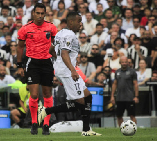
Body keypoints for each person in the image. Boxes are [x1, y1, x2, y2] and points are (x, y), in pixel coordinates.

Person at [38, 12, 101, 136]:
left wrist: (62, 62)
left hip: (65, 69)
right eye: (79, 21)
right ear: (71, 22)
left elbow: (51, 50)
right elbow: (64, 53)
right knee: (79, 102)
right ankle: (46, 110)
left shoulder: (60, 33)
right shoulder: (69, 35)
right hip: (68, 72)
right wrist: (72, 69)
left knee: (88, 96)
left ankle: (86, 129)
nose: (81, 24)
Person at [17, 3, 57, 135]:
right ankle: (34, 123)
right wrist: (19, 65)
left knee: (47, 95)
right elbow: (20, 47)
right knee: (34, 95)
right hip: (32, 63)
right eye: (37, 13)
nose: (40, 16)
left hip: (47, 62)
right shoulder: (25, 29)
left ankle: (46, 124)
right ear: (33, 13)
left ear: (45, 14)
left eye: (42, 13)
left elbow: (55, 45)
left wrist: (56, 61)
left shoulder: (51, 27)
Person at [110, 56, 139, 127]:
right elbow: (115, 84)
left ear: (128, 63)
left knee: (132, 115)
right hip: (120, 98)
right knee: (119, 116)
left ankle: (134, 129)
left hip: (130, 97)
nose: (124, 63)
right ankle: (122, 129)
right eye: (123, 62)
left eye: (126, 62)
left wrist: (136, 96)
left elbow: (136, 84)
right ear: (120, 62)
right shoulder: (117, 72)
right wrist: (112, 96)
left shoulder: (132, 72)